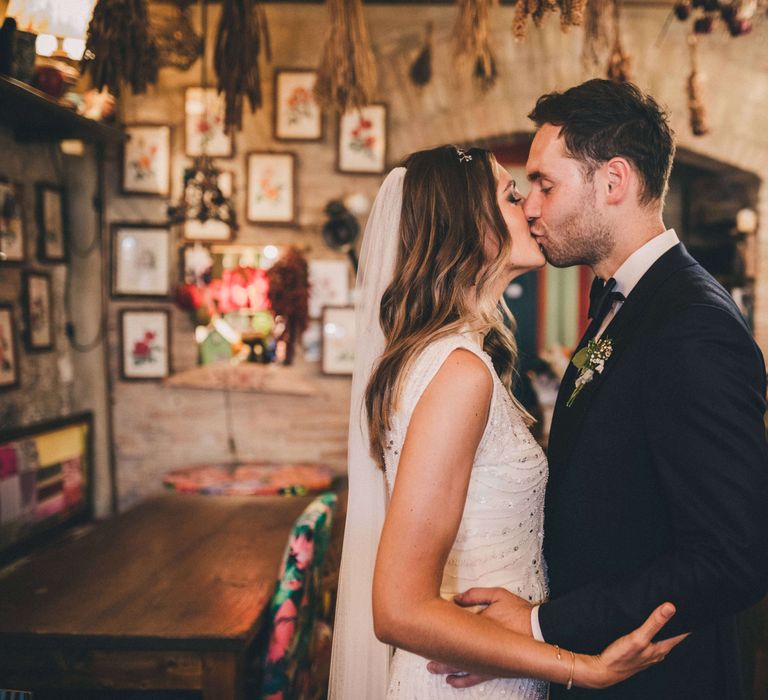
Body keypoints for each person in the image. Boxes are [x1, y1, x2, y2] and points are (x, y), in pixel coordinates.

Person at [427, 80, 768, 699]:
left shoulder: (693, 325)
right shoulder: (620, 301)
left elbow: (733, 557)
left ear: (613, 182)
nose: (530, 207)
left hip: (656, 680)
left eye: (546, 184)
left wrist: (539, 624)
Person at [328, 144, 686, 699]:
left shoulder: (453, 358)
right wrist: (580, 666)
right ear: (469, 223)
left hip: (490, 663)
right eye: (513, 195)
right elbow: (399, 608)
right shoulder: (457, 372)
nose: (533, 208)